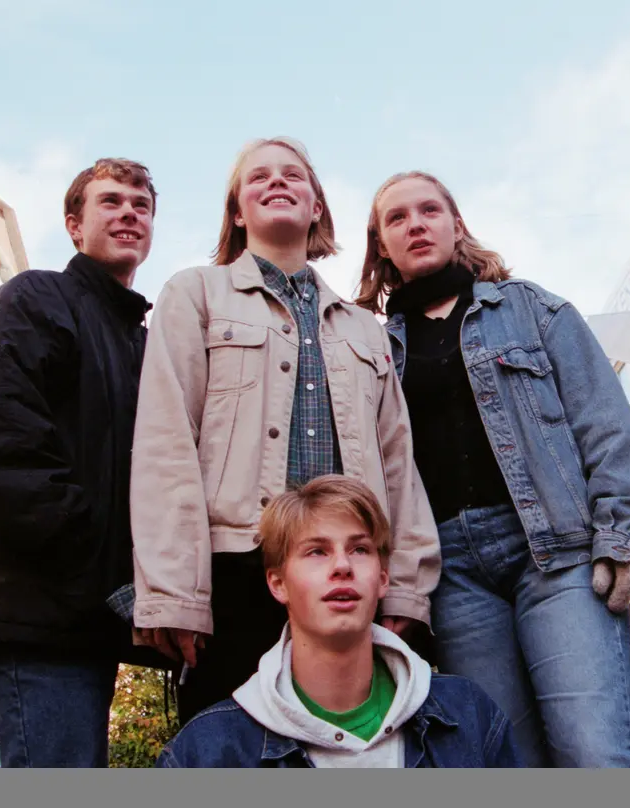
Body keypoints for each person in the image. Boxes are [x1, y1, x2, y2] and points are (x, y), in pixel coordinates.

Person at [354, 170, 630, 768]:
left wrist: (627, 533)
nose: (416, 224)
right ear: (380, 246)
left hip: (557, 553)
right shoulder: (372, 350)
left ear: (457, 226)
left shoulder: (531, 308)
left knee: (594, 753)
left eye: (429, 211)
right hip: (452, 578)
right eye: (397, 218)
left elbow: (605, 424)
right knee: (506, 763)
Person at [129, 138, 440, 726]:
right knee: (233, 749)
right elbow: (165, 445)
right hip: (235, 568)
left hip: (350, 571)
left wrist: (404, 586)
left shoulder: (364, 330)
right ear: (238, 212)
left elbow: (399, 462)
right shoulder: (194, 294)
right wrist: (173, 592)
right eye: (259, 177)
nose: (277, 182)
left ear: (317, 206)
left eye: (294, 175)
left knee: (356, 744)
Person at [0, 158, 166, 767]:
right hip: (39, 613)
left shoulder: (140, 340)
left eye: (141, 205)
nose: (129, 213)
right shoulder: (37, 298)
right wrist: (86, 550)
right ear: (73, 226)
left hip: (95, 619)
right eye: (111, 201)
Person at [155, 475, 523, 768]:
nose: (343, 566)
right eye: (317, 551)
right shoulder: (206, 754)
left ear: (382, 578)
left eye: (359, 549)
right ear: (278, 583)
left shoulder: (469, 716)